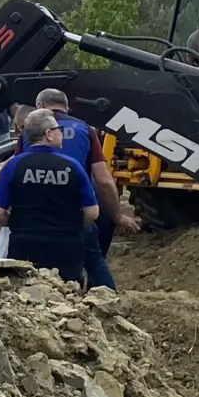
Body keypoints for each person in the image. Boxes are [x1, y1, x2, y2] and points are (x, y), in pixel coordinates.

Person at [32, 88, 139, 288]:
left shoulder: (32, 132)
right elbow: (104, 180)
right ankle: (107, 305)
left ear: (40, 107)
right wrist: (117, 216)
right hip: (77, 212)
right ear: (67, 107)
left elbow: (17, 167)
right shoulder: (85, 129)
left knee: (36, 267)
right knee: (94, 260)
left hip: (37, 216)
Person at [0, 109, 98, 284]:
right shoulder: (73, 166)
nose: (61, 133)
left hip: (25, 247)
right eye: (58, 129)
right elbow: (92, 212)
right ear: (49, 134)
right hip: (66, 248)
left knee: (27, 303)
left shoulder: (14, 166)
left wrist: (17, 221)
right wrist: (70, 223)